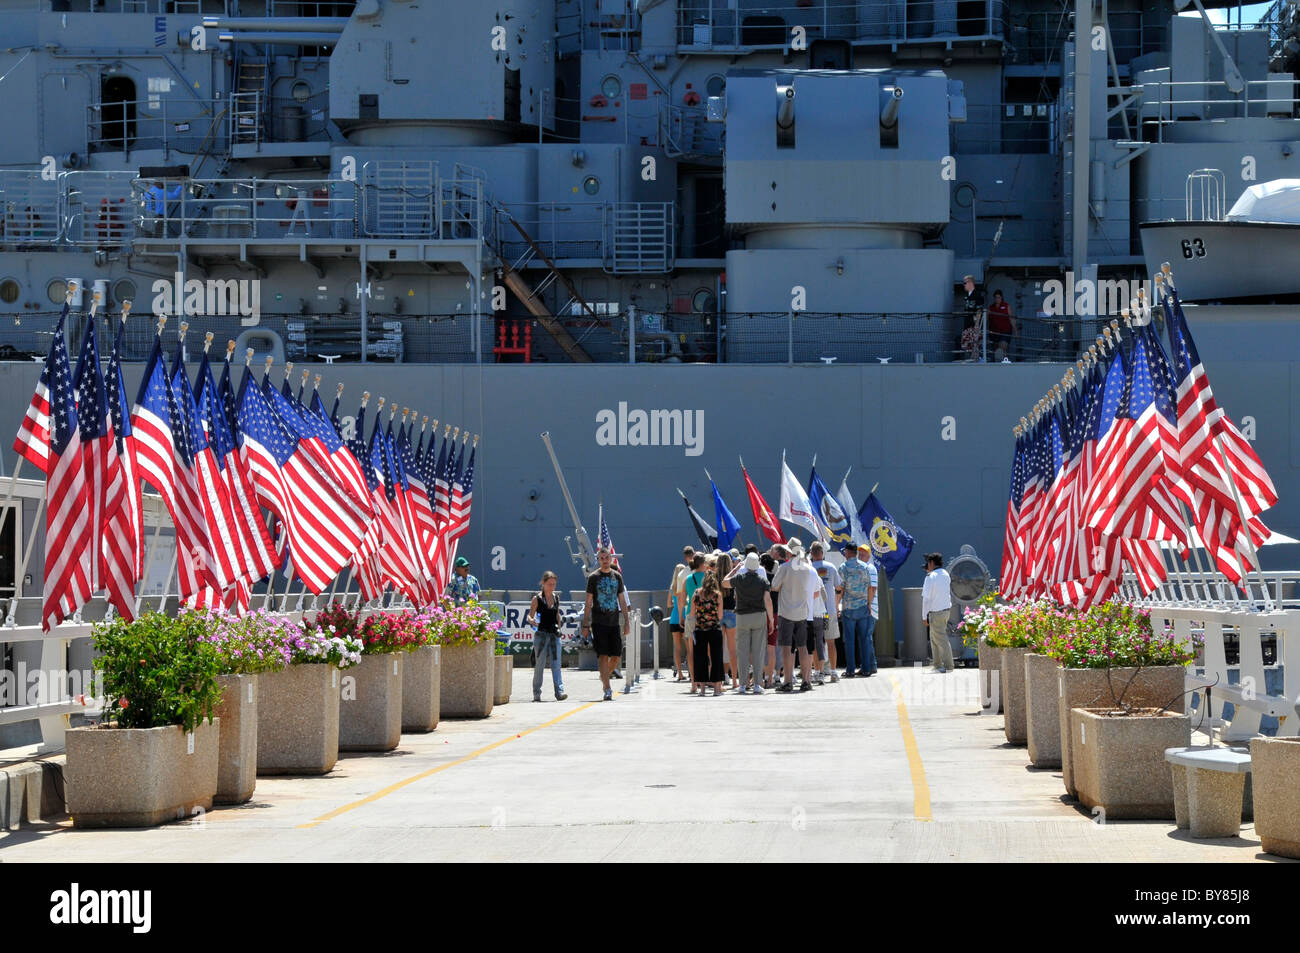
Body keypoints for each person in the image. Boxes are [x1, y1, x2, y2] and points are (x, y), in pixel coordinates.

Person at [770, 538, 819, 693]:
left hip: (786, 612)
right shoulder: (808, 568)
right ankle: (806, 680)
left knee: (786, 648)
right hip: (803, 612)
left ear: (790, 552)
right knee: (803, 647)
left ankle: (788, 681)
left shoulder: (785, 567)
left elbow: (774, 586)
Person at [583, 546, 630, 700]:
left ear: (611, 559)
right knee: (603, 656)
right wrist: (585, 624)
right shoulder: (593, 578)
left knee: (616, 656)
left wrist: (627, 621)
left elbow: (622, 600)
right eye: (601, 558)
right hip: (599, 622)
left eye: (606, 558)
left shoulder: (617, 577)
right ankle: (607, 688)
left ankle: (604, 676)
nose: (604, 561)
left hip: (614, 622)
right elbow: (588, 601)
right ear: (598, 560)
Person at [727, 552, 772, 694]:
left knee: (742, 651)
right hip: (759, 615)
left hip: (742, 616)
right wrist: (770, 619)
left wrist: (734, 569)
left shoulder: (739, 578)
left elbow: (724, 582)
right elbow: (768, 601)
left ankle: (743, 684)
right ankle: (758, 684)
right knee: (758, 651)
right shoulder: (762, 581)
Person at [524, 571, 567, 702]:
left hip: (554, 635)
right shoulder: (537, 599)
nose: (552, 587)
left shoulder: (556, 598)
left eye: (554, 584)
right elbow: (529, 615)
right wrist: (531, 620)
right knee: (540, 665)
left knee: (556, 665)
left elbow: (557, 615)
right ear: (543, 583)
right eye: (549, 584)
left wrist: (560, 630)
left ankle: (559, 692)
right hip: (541, 636)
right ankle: (537, 693)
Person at [838, 542, 878, 677]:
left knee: (849, 640)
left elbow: (841, 588)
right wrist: (869, 603)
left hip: (848, 608)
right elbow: (870, 587)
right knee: (865, 639)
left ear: (848, 552)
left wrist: (837, 605)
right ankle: (866, 669)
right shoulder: (865, 567)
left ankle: (850, 670)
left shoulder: (843, 567)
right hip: (863, 607)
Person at [809, 542, 842, 684]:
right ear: (822, 553)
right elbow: (839, 587)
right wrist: (835, 603)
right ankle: (834, 672)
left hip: (815, 612)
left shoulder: (809, 569)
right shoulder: (831, 567)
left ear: (811, 554)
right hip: (829, 611)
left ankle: (818, 672)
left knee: (817, 643)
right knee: (831, 642)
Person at [688, 568, 725, 696]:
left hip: (700, 629)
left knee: (700, 658)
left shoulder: (696, 594)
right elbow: (720, 616)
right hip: (714, 629)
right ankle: (716, 689)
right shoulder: (718, 595)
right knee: (716, 657)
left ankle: (702, 689)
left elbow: (692, 613)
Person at [922, 552, 954, 673]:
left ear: (931, 563)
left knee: (940, 638)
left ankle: (948, 665)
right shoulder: (946, 574)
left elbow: (926, 599)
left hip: (936, 612)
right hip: (946, 611)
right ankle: (937, 664)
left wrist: (924, 616)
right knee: (934, 638)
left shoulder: (930, 577)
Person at [682, 552, 707, 694]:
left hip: (690, 615)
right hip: (706, 616)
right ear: (702, 564)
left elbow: (681, 599)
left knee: (691, 651)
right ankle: (707, 679)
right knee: (708, 650)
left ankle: (693, 682)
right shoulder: (708, 577)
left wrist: (680, 616)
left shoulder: (688, 579)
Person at [716, 552, 740, 690]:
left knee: (718, 648)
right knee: (732, 649)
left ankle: (720, 678)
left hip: (718, 612)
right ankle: (735, 680)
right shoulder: (732, 577)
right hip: (731, 612)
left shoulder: (714, 576)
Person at [668, 560, 689, 681]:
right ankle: (691, 672)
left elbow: (669, 604)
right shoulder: (685, 586)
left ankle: (679, 673)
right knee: (688, 647)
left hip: (673, 618)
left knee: (677, 647)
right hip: (684, 617)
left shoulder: (672, 588)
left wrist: (675, 603)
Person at [987, 289, 1017, 362]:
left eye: (999, 297)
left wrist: (1015, 330)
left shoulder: (1006, 306)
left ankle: (1004, 366)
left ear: (1001, 298)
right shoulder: (991, 308)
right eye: (996, 297)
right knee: (997, 351)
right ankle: (1003, 364)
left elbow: (1011, 319)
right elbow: (988, 321)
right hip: (994, 333)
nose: (997, 299)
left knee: (1001, 348)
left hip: (1005, 332)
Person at [960, 274, 985, 360]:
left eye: (965, 283)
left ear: (970, 283)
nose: (964, 285)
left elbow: (979, 311)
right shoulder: (967, 296)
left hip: (974, 326)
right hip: (967, 325)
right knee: (966, 345)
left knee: (975, 346)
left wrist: (977, 325)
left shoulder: (977, 295)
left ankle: (976, 361)